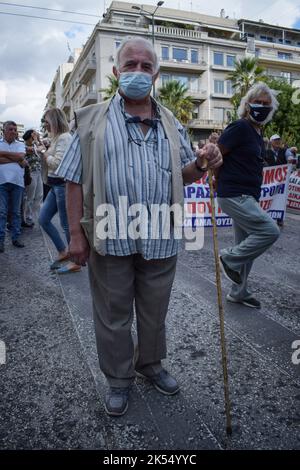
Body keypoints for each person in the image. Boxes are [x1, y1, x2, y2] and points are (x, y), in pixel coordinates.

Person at [56, 37, 222, 417]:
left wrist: (202, 163)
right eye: (130, 65)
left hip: (160, 236)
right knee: (113, 314)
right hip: (109, 235)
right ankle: (118, 379)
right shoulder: (90, 119)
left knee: (154, 312)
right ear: (116, 72)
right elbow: (73, 179)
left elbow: (185, 173)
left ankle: (150, 365)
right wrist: (76, 235)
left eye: (145, 67)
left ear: (156, 75)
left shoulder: (171, 121)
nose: (137, 72)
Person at [216, 82, 280, 309]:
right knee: (269, 230)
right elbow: (217, 154)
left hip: (247, 196)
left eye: (266, 104)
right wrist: (214, 178)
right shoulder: (240, 127)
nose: (261, 107)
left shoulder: (258, 133)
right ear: (247, 104)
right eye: (257, 102)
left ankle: (238, 292)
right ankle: (229, 259)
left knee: (247, 246)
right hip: (235, 194)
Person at [38, 108, 81, 274]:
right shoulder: (56, 138)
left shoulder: (64, 138)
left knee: (67, 225)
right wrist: (45, 150)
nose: (45, 125)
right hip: (55, 186)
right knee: (43, 219)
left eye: (47, 121)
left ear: (54, 121)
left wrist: (43, 152)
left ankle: (75, 261)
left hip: (62, 186)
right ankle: (63, 251)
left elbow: (57, 163)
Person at [0, 121, 27, 252]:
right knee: (2, 212)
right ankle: (0, 241)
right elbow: (20, 159)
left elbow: (21, 156)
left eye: (15, 129)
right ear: (4, 130)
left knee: (16, 213)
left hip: (17, 183)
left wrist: (3, 154)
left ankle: (16, 238)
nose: (13, 131)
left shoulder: (20, 144)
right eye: (10, 129)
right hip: (1, 182)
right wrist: (17, 160)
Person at [22, 129, 43, 227]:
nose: (36, 136)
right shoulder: (24, 146)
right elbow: (39, 150)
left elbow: (42, 149)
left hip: (38, 173)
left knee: (39, 195)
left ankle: (32, 215)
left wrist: (38, 140)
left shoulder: (34, 145)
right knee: (29, 197)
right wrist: (36, 140)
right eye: (34, 135)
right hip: (30, 173)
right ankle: (26, 217)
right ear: (29, 136)